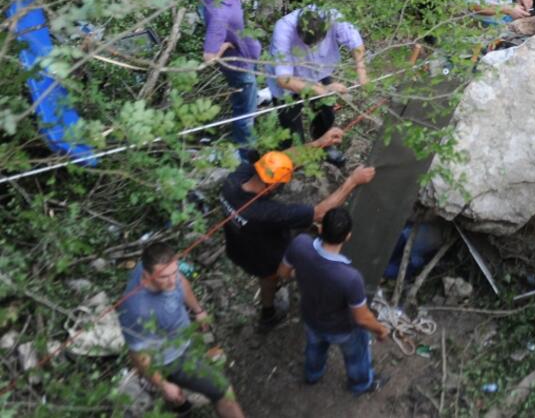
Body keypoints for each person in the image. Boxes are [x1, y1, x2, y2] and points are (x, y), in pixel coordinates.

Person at [220, 136, 376, 332]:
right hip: (262, 254)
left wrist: (320, 142)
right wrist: (352, 181)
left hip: (237, 245)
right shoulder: (267, 213)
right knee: (272, 276)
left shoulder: (234, 180)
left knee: (267, 274)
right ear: (272, 185)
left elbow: (280, 158)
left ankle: (268, 313)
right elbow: (319, 212)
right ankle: (281, 307)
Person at [118, 242, 246, 418]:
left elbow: (181, 282)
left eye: (174, 272)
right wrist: (163, 385)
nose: (172, 281)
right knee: (224, 392)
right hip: (171, 359)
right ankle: (176, 394)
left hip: (182, 337)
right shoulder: (136, 309)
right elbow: (138, 356)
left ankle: (181, 407)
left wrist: (198, 310)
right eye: (164, 277)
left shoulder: (159, 267)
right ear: (146, 276)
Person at [278, 208, 391, 394]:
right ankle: (361, 384)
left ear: (321, 228)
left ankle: (312, 375)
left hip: (310, 317)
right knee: (356, 356)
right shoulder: (350, 278)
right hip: (342, 329)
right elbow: (362, 318)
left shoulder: (300, 244)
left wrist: (306, 273)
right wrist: (380, 329)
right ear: (348, 236)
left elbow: (283, 272)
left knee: (314, 347)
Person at [266, 6, 368, 146]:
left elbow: (355, 42)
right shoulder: (283, 29)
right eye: (307, 43)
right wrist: (324, 90)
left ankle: (325, 148)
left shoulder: (332, 15)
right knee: (291, 129)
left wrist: (361, 71)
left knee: (325, 114)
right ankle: (297, 158)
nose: (312, 46)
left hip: (319, 73)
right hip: (287, 85)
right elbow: (284, 80)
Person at [200, 0, 261, 161]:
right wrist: (224, 46)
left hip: (247, 60)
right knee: (245, 116)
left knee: (244, 101)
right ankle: (246, 157)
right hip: (240, 69)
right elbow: (209, 57)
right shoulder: (219, 15)